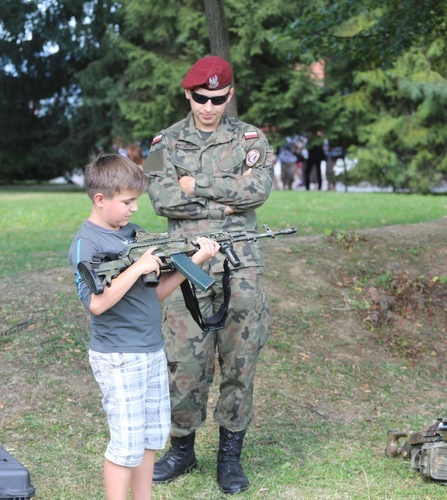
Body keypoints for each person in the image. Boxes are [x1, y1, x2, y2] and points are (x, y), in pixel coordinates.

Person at [143, 55, 274, 495]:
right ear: (188, 94)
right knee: (184, 362)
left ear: (229, 94)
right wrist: (227, 202)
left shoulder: (250, 139)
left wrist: (194, 187)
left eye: (218, 98)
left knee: (239, 361)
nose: (208, 106)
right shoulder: (165, 142)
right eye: (201, 97)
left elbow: (258, 191)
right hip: (184, 265)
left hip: (240, 266)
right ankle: (181, 450)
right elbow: (161, 199)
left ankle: (230, 459)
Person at [68, 153, 220, 500]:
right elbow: (96, 303)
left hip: (150, 350)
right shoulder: (86, 245)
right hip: (119, 356)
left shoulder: (134, 235)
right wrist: (136, 268)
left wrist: (194, 261)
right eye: (127, 202)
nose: (134, 209)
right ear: (100, 199)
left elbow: (158, 294)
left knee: (151, 436)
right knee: (126, 444)